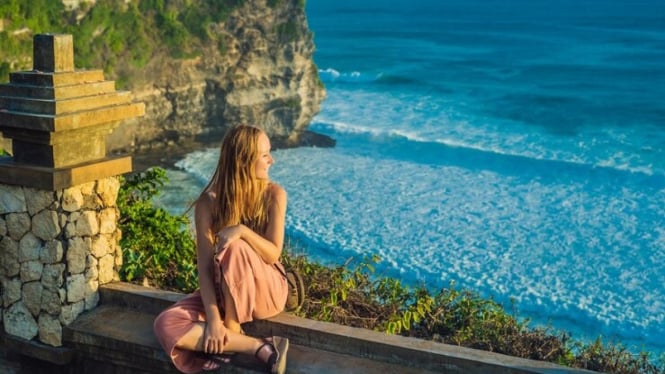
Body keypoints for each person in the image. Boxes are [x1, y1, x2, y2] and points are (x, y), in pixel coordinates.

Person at [153, 124, 290, 374]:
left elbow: (273, 254)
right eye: (264, 154)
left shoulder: (274, 195)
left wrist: (243, 231)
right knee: (165, 324)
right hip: (222, 290)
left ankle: (232, 328)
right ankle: (254, 345)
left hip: (267, 290)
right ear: (243, 160)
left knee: (235, 247)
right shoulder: (208, 204)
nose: (272, 160)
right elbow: (205, 268)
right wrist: (213, 321)